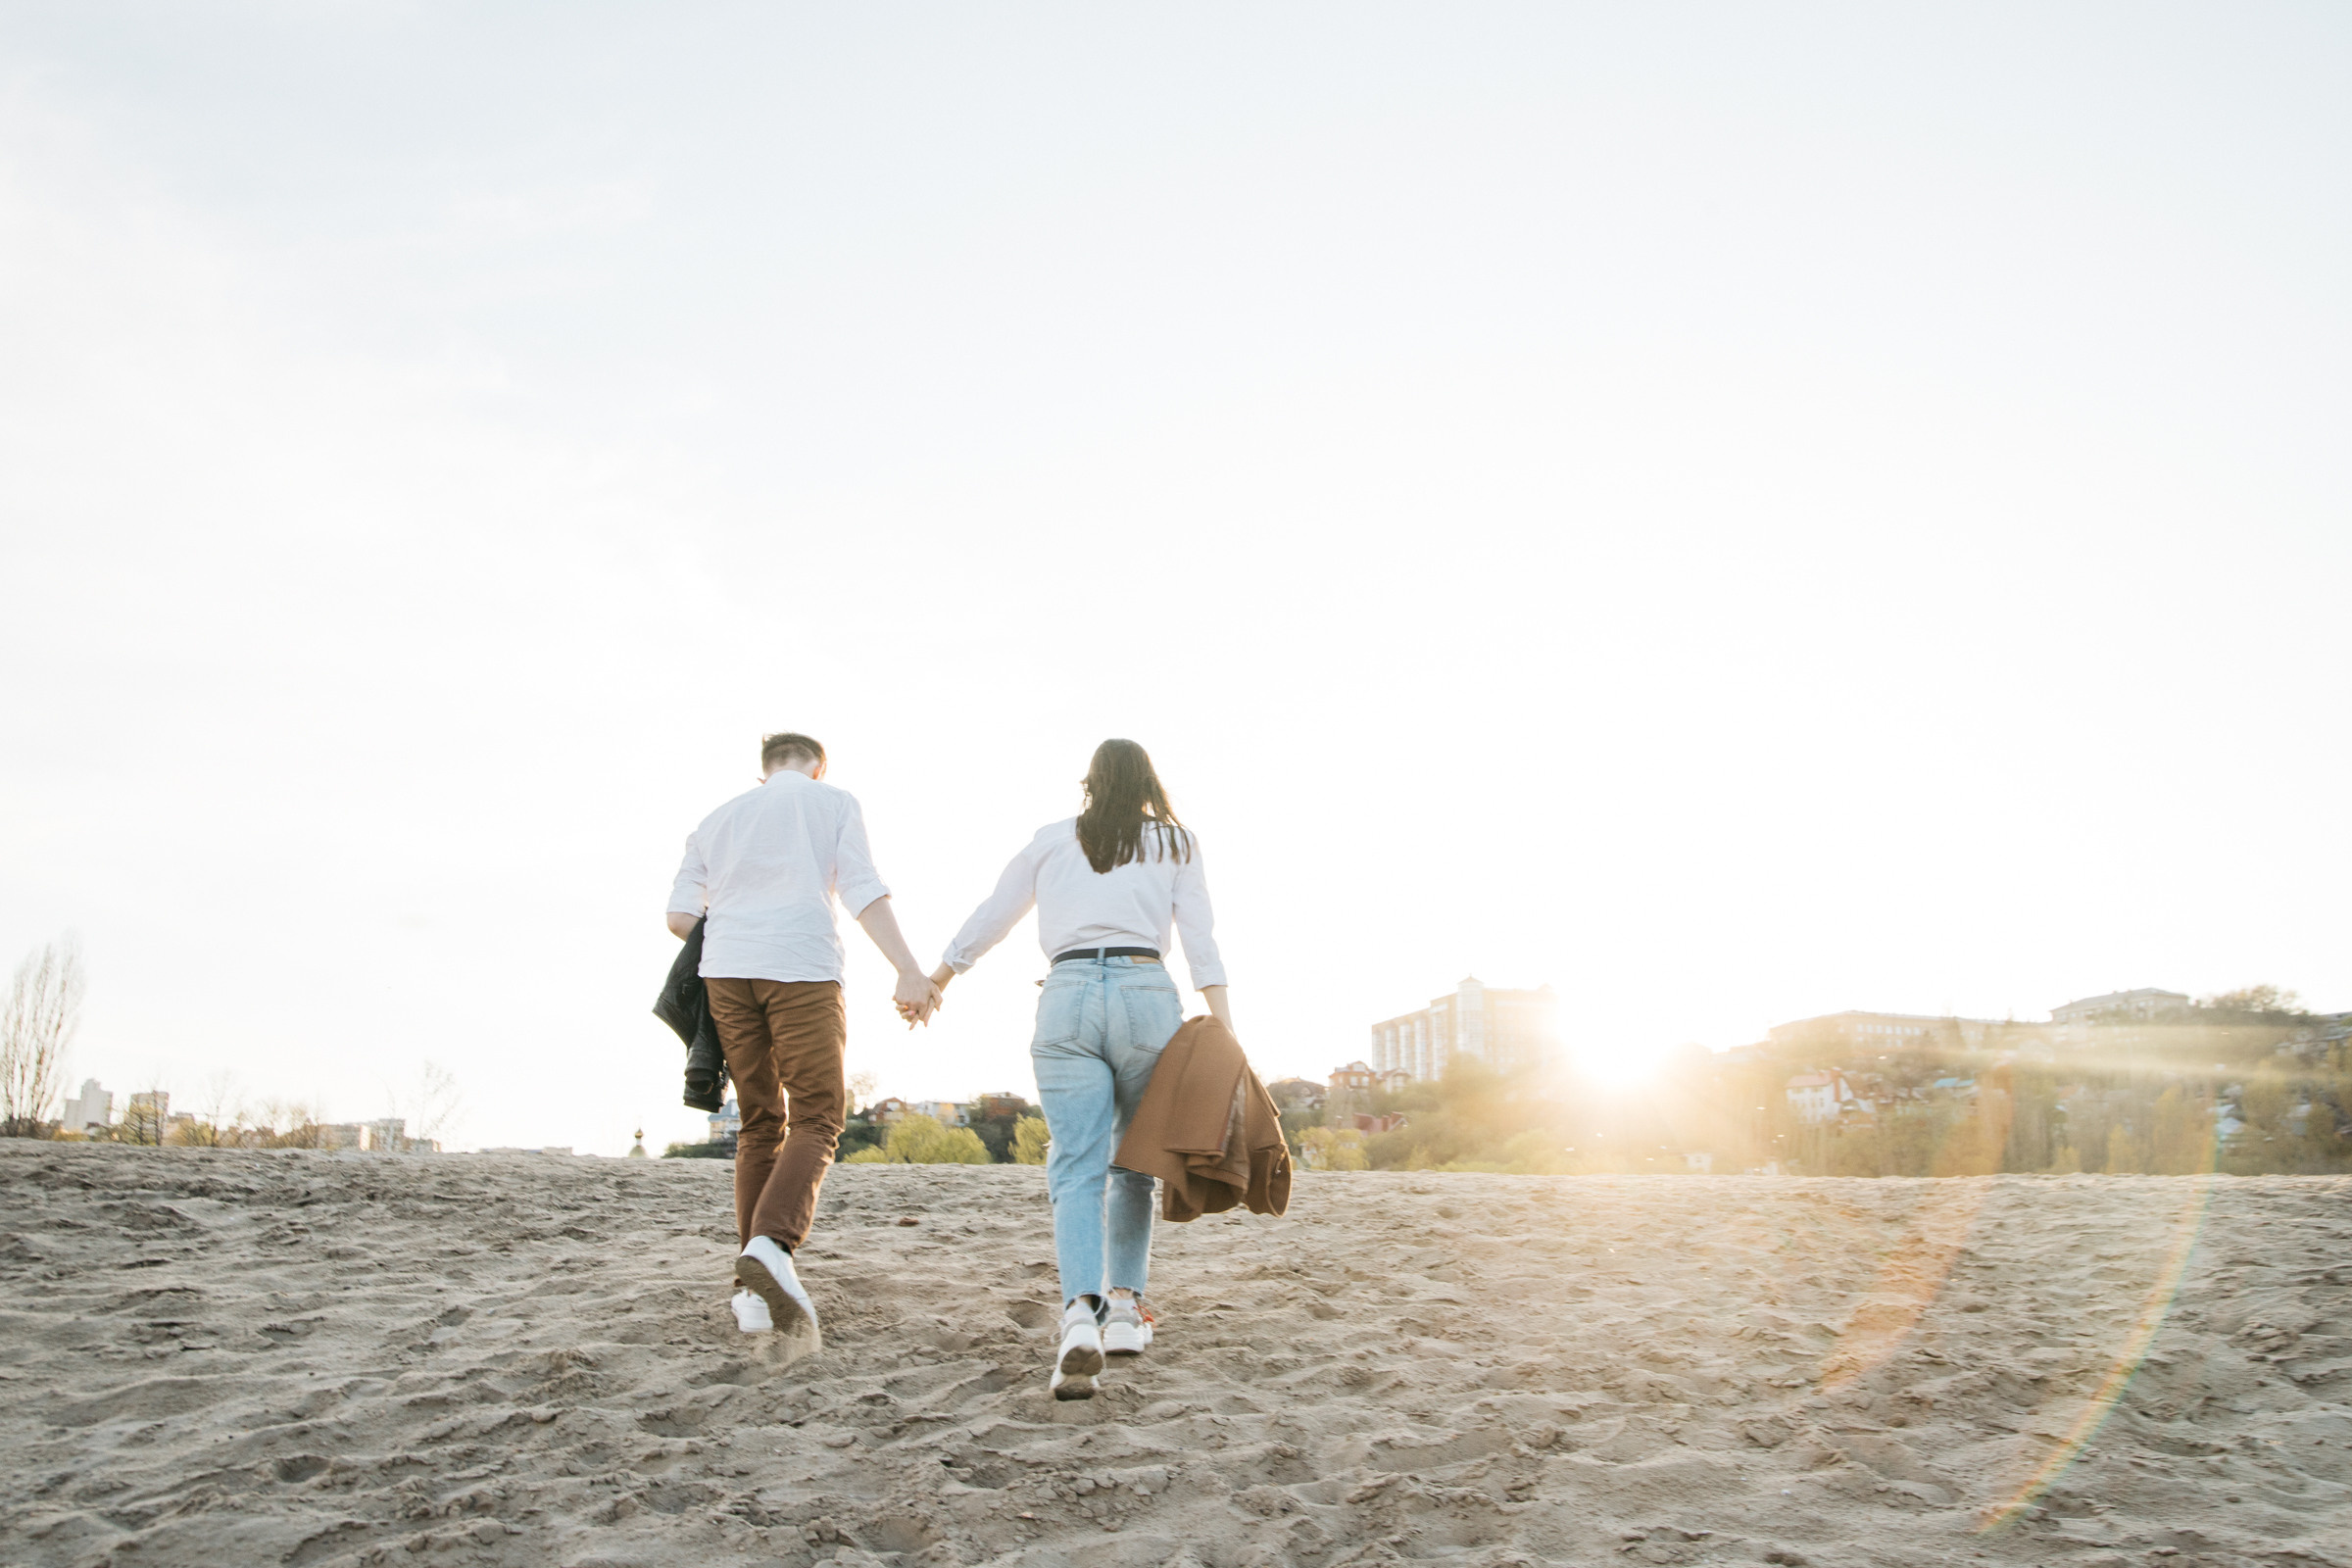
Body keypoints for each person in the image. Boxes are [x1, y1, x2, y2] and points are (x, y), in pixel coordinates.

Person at [924, 738, 1229, 1399]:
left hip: (1064, 997)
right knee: (1134, 1165)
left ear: (1088, 783)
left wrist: (938, 977)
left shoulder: (1051, 839)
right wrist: (1224, 1024)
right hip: (1147, 995)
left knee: (1076, 1167)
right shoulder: (1176, 842)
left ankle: (1077, 1316)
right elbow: (1201, 937)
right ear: (1149, 782)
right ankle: (1124, 1310)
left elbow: (993, 915)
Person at [667, 731, 940, 1338]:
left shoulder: (715, 820)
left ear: (763, 772)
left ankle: (754, 1295)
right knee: (818, 1116)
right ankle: (771, 1247)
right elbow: (862, 886)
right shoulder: (833, 802)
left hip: (727, 976)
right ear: (819, 769)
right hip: (802, 967)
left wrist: (738, 924)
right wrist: (908, 968)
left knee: (760, 1122)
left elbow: (679, 917)